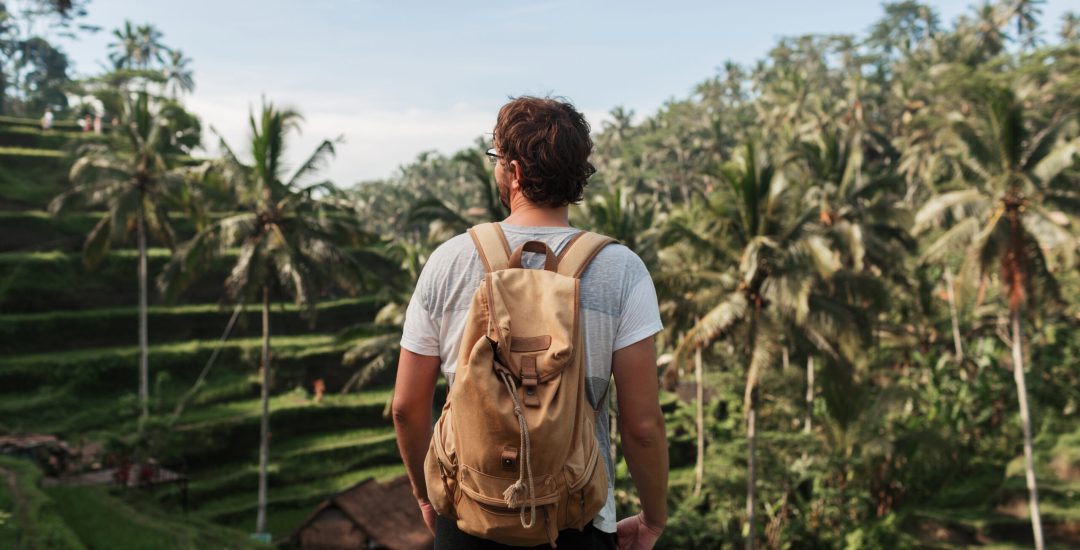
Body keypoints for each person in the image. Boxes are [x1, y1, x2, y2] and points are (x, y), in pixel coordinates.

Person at [393, 96, 668, 549]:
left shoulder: (449, 261)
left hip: (466, 516)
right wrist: (653, 518)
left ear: (514, 171)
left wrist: (427, 495)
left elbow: (406, 406)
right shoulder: (621, 269)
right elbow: (642, 426)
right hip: (577, 519)